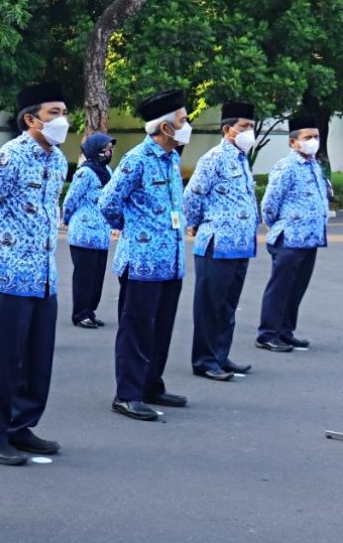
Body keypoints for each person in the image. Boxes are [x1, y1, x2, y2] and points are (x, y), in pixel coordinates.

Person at [0, 83, 67, 466]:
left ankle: (21, 425)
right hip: (9, 275)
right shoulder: (10, 158)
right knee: (3, 361)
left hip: (44, 276)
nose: (62, 121)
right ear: (31, 119)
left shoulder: (57, 160)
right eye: (54, 113)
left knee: (38, 360)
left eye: (63, 112)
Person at [99, 89, 191, 421]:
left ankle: (152, 385)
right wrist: (136, 230)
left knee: (162, 327)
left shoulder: (172, 158)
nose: (187, 124)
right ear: (165, 128)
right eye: (183, 120)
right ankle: (127, 394)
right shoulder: (136, 159)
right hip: (142, 262)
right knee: (136, 330)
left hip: (172, 261)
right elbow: (108, 202)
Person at [183, 102, 258, 381]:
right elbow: (192, 196)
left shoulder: (241, 159)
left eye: (251, 127)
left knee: (227, 305)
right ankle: (204, 360)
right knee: (210, 306)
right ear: (228, 129)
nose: (249, 132)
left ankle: (220, 356)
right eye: (244, 127)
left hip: (240, 244)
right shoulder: (213, 158)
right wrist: (194, 223)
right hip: (217, 242)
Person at [255, 116, 330, 352]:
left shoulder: (314, 165)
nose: (313, 141)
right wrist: (273, 224)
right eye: (308, 138)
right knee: (280, 287)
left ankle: (285, 331)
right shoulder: (286, 167)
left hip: (311, 238)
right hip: (290, 238)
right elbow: (269, 203)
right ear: (293, 143)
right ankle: (267, 334)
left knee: (297, 288)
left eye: (316, 137)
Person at [62, 132, 115, 328]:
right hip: (83, 233)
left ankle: (90, 311)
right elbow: (71, 199)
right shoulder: (85, 173)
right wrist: (66, 219)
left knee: (97, 277)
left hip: (101, 234)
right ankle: (80, 313)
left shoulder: (107, 171)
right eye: (105, 148)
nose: (109, 151)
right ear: (94, 149)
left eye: (110, 148)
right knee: (84, 277)